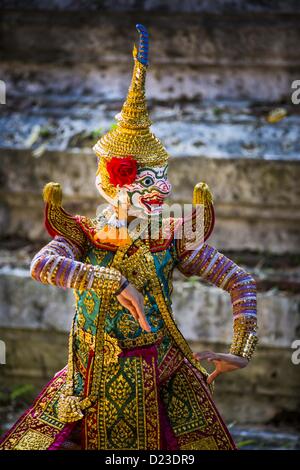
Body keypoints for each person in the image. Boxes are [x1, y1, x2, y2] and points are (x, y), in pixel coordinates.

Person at [0, 24, 257, 450]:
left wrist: (242, 348)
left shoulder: (170, 238)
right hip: (88, 378)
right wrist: (113, 282)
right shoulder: (83, 235)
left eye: (165, 178)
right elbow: (42, 266)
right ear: (113, 183)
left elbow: (240, 281)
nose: (164, 190)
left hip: (160, 377)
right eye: (149, 179)